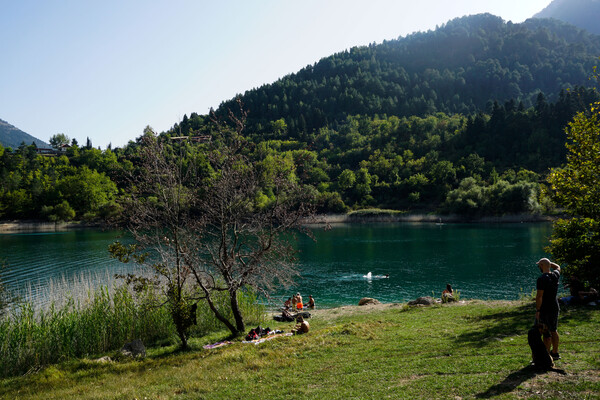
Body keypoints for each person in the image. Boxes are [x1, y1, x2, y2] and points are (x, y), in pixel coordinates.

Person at [535, 258, 561, 360]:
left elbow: (539, 297)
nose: (538, 267)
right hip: (554, 306)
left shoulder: (541, 279)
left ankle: (546, 355)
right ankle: (555, 352)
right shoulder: (555, 275)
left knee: (545, 332)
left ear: (541, 265)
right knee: (553, 330)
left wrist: (538, 310)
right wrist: (549, 264)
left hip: (545, 308)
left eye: (539, 265)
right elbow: (558, 267)